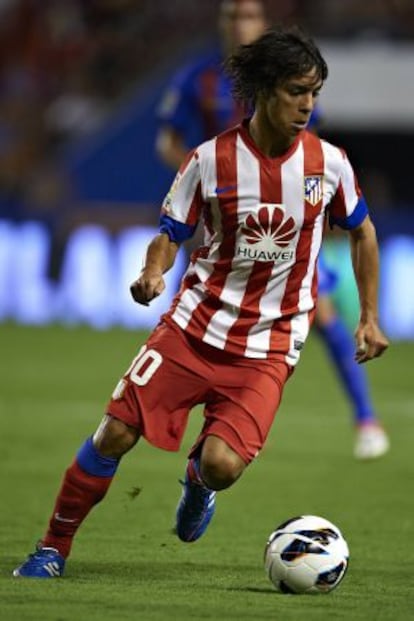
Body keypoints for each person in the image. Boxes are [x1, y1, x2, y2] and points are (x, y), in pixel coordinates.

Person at [13, 27, 389, 579]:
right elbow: (171, 232)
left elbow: (363, 232)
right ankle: (51, 548)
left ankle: (197, 484)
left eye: (314, 92)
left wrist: (370, 316)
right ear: (264, 90)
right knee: (114, 431)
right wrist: (151, 272)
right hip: (193, 326)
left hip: (269, 344)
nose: (308, 104)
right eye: (295, 91)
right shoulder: (209, 161)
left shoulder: (329, 165)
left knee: (221, 465)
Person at [156, 0, 389, 460]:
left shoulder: (290, 83)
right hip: (219, 226)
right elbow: (168, 141)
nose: (241, 24)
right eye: (232, 16)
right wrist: (200, 187)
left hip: (279, 229)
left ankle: (366, 418)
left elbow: (309, 157)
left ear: (263, 23)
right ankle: (198, 431)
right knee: (191, 319)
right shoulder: (195, 79)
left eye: (250, 15)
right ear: (221, 24)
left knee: (319, 311)